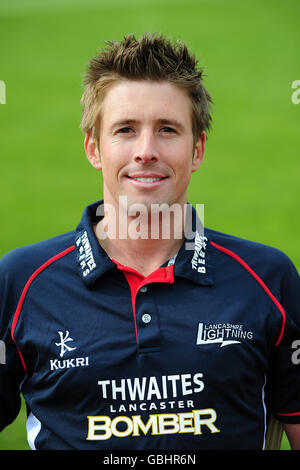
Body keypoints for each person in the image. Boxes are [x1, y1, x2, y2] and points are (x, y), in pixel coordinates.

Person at [0, 33, 299, 451]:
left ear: (197, 150)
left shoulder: (269, 279)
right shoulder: (19, 282)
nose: (146, 151)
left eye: (167, 130)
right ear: (94, 148)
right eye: (125, 129)